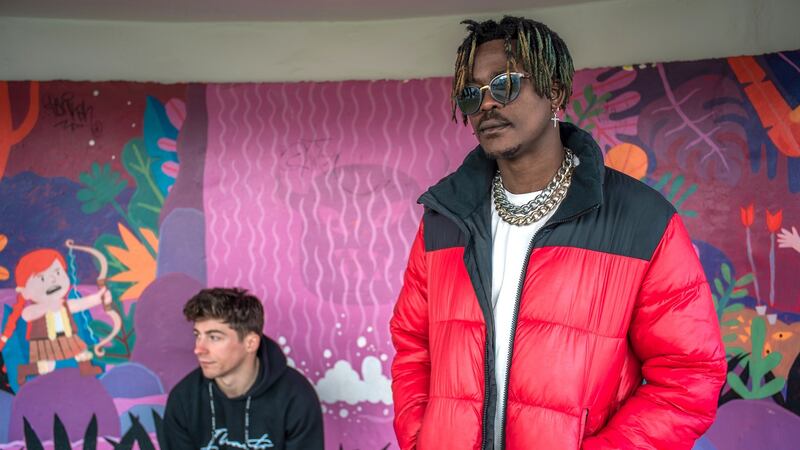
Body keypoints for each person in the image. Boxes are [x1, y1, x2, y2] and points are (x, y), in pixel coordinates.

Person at [390, 16, 726, 450]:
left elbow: (690, 376)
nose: (487, 104)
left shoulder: (643, 221)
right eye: (472, 94)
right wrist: (421, 440)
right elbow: (413, 347)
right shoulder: (444, 218)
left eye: (504, 84)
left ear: (555, 92)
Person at [164, 287, 323, 449]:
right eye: (197, 335)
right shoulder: (184, 399)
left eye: (214, 337)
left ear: (250, 343)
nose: (199, 349)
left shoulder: (295, 396)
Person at [6, 248, 108, 385]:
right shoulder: (33, 309)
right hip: (44, 341)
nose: (53, 280)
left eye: (58, 272)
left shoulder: (64, 304)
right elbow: (26, 315)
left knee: (80, 353)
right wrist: (46, 307)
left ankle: (86, 368)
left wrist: (99, 297)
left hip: (67, 336)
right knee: (47, 366)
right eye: (41, 278)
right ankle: (24, 370)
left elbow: (81, 304)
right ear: (24, 291)